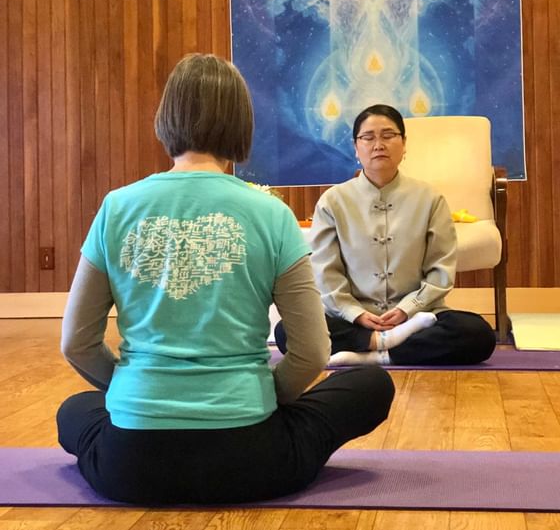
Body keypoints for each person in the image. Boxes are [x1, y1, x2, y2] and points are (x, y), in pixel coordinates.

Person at [56, 55, 395, 505]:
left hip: (131, 465)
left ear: (167, 117)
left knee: (74, 410)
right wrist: (263, 397)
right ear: (241, 123)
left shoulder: (117, 207)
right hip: (253, 459)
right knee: (371, 385)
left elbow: (76, 343)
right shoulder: (271, 213)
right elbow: (313, 351)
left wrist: (131, 392)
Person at [275, 104, 496, 366]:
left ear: (404, 145)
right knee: (286, 331)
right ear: (356, 149)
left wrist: (407, 309)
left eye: (388, 135)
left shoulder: (430, 199)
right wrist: (355, 313)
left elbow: (441, 270)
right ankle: (382, 345)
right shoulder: (333, 201)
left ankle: (375, 355)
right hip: (352, 319)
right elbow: (326, 272)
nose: (378, 144)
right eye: (368, 137)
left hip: (416, 318)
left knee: (478, 334)